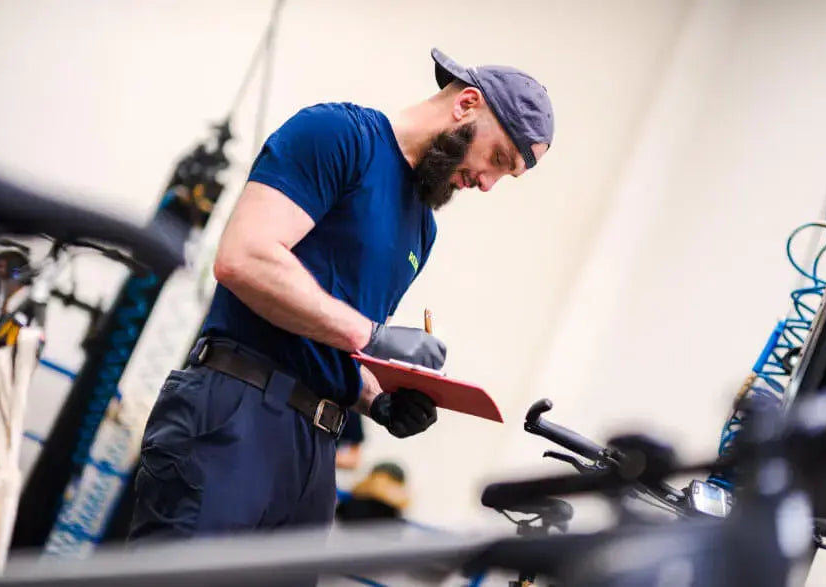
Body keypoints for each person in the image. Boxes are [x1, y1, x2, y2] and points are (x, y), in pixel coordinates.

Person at [127, 48, 554, 542]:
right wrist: (372, 336)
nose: (488, 184)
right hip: (234, 416)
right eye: (497, 159)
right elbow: (243, 258)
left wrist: (378, 399)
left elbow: (331, 338)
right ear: (466, 104)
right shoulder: (338, 135)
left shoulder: (422, 228)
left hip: (314, 454)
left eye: (506, 176)